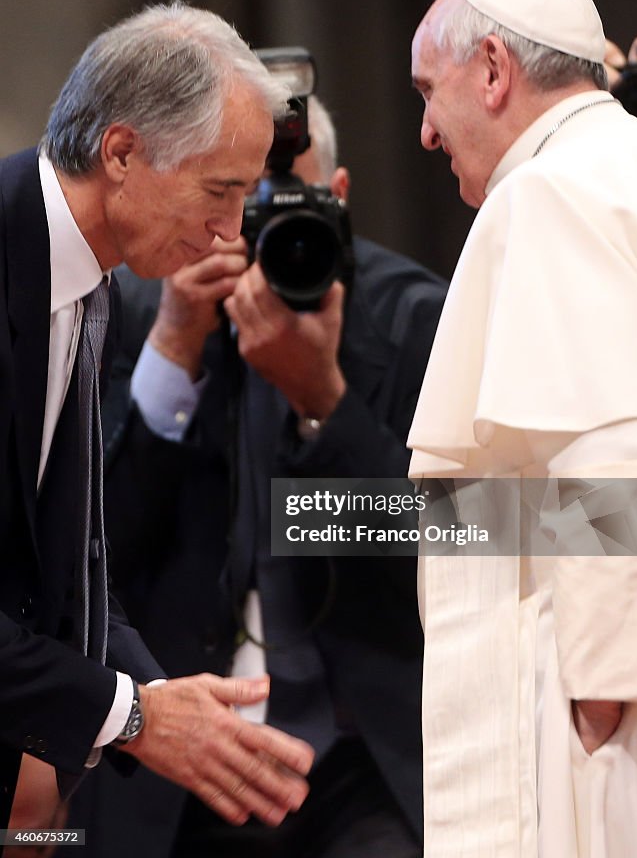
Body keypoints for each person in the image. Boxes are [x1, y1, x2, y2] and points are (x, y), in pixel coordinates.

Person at [64, 93, 447, 857]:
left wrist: (322, 402)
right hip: (175, 754)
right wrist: (172, 354)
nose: (246, 234)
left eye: (279, 203)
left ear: (335, 199)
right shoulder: (129, 307)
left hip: (364, 754)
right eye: (228, 198)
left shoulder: (411, 318)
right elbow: (90, 565)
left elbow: (448, 550)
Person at [0, 1, 316, 854]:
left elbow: (68, 566)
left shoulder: (93, 270)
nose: (232, 232)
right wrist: (136, 715)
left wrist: (165, 704)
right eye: (219, 192)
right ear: (123, 152)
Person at [408, 0, 637, 857]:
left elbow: (617, 445)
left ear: (492, 70)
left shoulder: (551, 190)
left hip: (603, 711)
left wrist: (599, 702)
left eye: (428, 90)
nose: (423, 130)